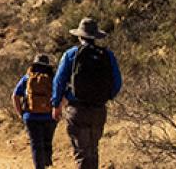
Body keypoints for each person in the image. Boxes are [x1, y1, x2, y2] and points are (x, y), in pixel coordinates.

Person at [51, 17, 123, 169]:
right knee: (93, 151)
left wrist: (56, 104)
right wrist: (105, 97)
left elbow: (59, 81)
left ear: (79, 36)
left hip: (77, 110)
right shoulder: (107, 55)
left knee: (82, 153)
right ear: (96, 36)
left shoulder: (71, 54)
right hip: (98, 110)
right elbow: (117, 83)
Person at [12, 53, 57, 169]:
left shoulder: (27, 78)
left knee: (36, 144)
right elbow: (61, 95)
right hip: (49, 116)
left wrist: (21, 113)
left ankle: (39, 166)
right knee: (47, 141)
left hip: (31, 116)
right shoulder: (53, 79)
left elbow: (15, 96)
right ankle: (47, 163)